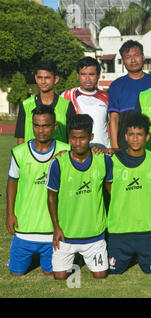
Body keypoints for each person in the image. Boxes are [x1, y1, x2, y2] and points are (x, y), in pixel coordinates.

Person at [46, 114, 112, 280]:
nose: (77, 143)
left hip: (94, 235)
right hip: (66, 235)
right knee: (60, 277)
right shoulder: (58, 162)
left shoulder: (104, 160)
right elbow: (51, 196)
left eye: (82, 138)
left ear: (91, 137)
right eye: (73, 138)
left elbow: (111, 192)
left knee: (100, 275)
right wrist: (56, 227)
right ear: (68, 139)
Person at [6, 106, 70, 276]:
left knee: (51, 273)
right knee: (16, 273)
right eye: (37, 125)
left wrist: (97, 149)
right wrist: (10, 213)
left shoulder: (66, 151)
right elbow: (12, 181)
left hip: (52, 232)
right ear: (32, 125)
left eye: (46, 126)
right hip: (24, 230)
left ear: (54, 127)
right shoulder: (19, 152)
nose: (41, 130)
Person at [106, 112, 151, 275]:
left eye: (139, 135)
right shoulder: (111, 160)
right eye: (131, 134)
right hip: (119, 231)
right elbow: (107, 188)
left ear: (147, 137)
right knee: (114, 272)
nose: (135, 138)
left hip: (148, 232)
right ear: (125, 136)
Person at [108, 40, 151, 153]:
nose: (133, 60)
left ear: (143, 57)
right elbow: (114, 118)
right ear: (123, 61)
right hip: (125, 145)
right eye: (128, 57)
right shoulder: (116, 85)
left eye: (136, 55)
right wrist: (115, 146)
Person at [15, 60, 74, 145]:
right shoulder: (25, 105)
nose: (43, 82)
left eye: (47, 78)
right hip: (31, 158)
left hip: (59, 157)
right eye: (40, 77)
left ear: (56, 79)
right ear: (35, 78)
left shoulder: (67, 105)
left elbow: (71, 139)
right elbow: (21, 138)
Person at [61, 57, 110, 149]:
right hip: (77, 152)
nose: (87, 78)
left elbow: (111, 125)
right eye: (83, 74)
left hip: (103, 151)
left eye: (91, 74)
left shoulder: (107, 97)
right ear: (78, 76)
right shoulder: (67, 96)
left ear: (98, 76)